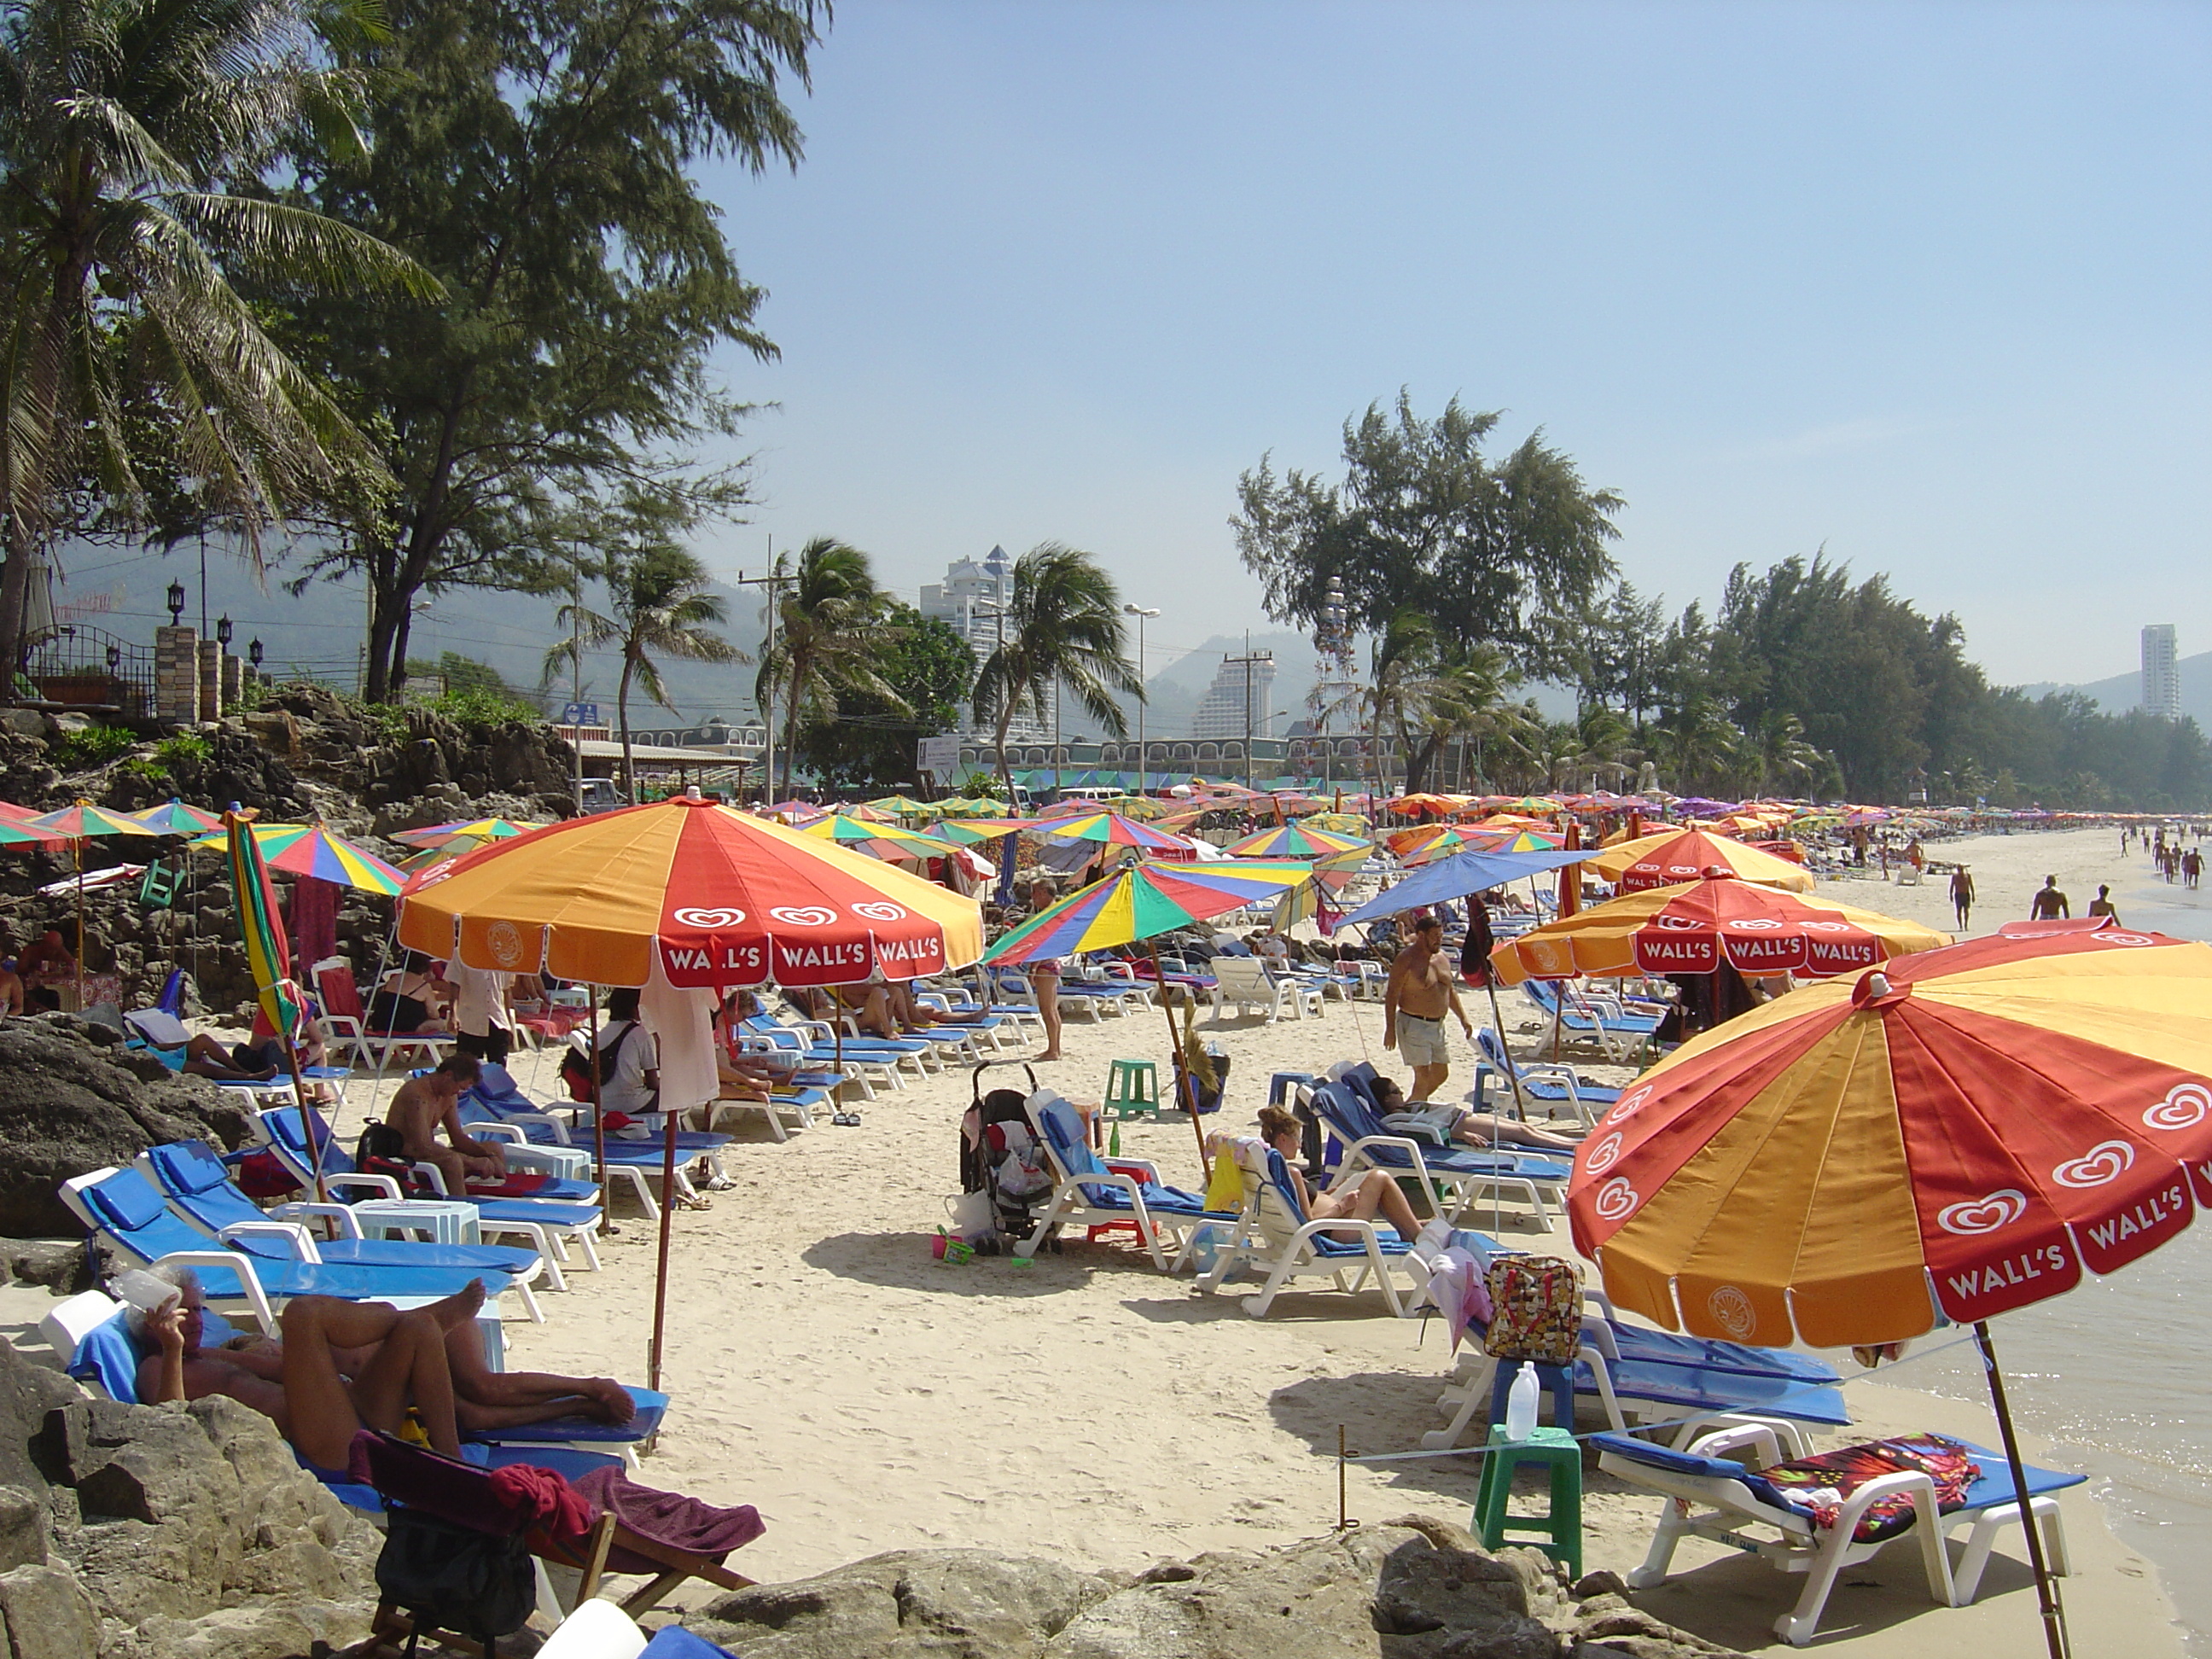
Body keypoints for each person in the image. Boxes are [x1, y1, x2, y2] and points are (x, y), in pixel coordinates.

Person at [135, 1269, 631, 1470]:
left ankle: (451, 1459)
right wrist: (173, 1348)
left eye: (199, 1311)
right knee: (304, 1314)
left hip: (349, 1414)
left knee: (417, 1335)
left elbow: (284, 1371)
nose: (196, 1322)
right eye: (183, 1314)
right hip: (326, 1446)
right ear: (156, 1323)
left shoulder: (216, 1354)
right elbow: (173, 1421)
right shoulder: (160, 1366)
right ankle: (425, 1317)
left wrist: (267, 1351)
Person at [1257, 1106, 1423, 1243]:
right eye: (1297, 1139)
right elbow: (1307, 1224)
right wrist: (1342, 1206)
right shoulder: (1290, 1173)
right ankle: (1415, 1232)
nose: (1300, 1145)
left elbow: (1300, 1203)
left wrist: (1323, 1195)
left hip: (1332, 1224)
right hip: (1335, 1231)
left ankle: (1411, 1226)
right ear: (1283, 1139)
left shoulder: (1268, 1167)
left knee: (1369, 1179)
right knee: (1378, 1177)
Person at [1383, 914, 1473, 1104]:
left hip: (1438, 1025)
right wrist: (1390, 1029)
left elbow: (1449, 990)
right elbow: (1391, 996)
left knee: (1441, 1073)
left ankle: (1410, 1105)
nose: (1439, 940)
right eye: (1435, 936)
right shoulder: (1406, 960)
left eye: (1441, 935)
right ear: (1421, 935)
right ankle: (1415, 1113)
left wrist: (1463, 1018)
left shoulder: (1441, 958)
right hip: (1414, 1024)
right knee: (1422, 1077)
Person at [384, 1054, 507, 1191]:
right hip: (406, 1159)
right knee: (452, 1161)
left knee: (494, 1148)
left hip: (427, 1154)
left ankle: (500, 1193)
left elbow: (457, 1137)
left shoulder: (448, 1095)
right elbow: (422, 1146)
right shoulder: (416, 1095)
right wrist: (471, 1161)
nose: (460, 1093)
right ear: (448, 1076)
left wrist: (489, 1156)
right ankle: (460, 1204)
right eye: (460, 1088)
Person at [1371, 1074, 1579, 1152]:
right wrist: (1461, 1135)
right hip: (1462, 1125)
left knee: (1526, 1127)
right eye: (1396, 1092)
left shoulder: (1402, 1110)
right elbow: (1424, 1128)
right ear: (1387, 1099)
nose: (1402, 1093)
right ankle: (1572, 1148)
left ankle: (1574, 1144)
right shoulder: (1396, 1117)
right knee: (1522, 1133)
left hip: (1465, 1118)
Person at [122, 1009, 281, 1081]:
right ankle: (249, 1077)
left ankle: (240, 1070)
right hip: (164, 1064)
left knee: (203, 1039)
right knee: (206, 1069)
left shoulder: (133, 1038)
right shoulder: (121, 1046)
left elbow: (158, 1047)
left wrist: (187, 1043)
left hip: (170, 1055)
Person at [591, 987, 660, 1121]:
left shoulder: (603, 1032)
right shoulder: (640, 1034)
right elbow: (653, 1082)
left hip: (602, 1100)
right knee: (677, 1098)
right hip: (631, 1103)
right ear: (636, 1008)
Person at [1022, 880, 1064, 1062]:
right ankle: (1054, 1048)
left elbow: (1043, 945)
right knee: (1051, 1009)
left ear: (1045, 892)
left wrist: (1033, 969)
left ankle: (1053, 1050)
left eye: (1036, 892)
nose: (1033, 897)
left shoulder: (1049, 914)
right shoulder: (1055, 912)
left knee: (1047, 1010)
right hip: (1050, 964)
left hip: (1045, 966)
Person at [450, 961, 514, 1065]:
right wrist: (453, 1014)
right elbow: (454, 985)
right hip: (470, 1021)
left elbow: (506, 990)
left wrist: (509, 1023)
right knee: (467, 1069)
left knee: (498, 1068)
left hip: (498, 1020)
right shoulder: (462, 954)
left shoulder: (501, 957)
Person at [367, 957, 451, 1034]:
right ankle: (423, 1050)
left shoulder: (393, 980)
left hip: (380, 1025)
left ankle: (420, 1051)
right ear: (426, 970)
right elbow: (433, 1014)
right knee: (440, 1023)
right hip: (405, 1029)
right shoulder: (423, 985)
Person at [1949, 865, 1976, 931]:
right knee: (1959, 911)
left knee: (1966, 911)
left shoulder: (1968, 876)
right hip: (1958, 895)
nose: (1960, 871)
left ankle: (1966, 925)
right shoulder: (1955, 877)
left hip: (1966, 895)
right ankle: (1960, 926)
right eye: (1959, 869)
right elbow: (1952, 886)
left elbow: (1971, 886)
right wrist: (1951, 895)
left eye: (1961, 869)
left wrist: (1973, 895)